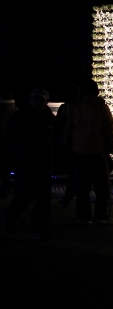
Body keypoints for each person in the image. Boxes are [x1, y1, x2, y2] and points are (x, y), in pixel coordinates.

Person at [62, 79, 113, 224]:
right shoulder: (100, 106)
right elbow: (109, 129)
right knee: (102, 186)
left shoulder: (75, 107)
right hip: (98, 151)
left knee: (82, 186)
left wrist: (65, 147)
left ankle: (83, 216)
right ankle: (101, 216)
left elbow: (69, 129)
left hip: (79, 152)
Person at [2, 87, 56, 240]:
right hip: (25, 164)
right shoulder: (21, 117)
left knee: (43, 199)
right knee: (24, 196)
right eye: (35, 99)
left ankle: (38, 229)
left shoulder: (49, 119)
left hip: (42, 165)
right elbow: (10, 141)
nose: (37, 102)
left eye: (40, 100)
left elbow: (55, 143)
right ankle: (10, 217)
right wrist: (13, 161)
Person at [55, 83, 80, 208]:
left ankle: (68, 197)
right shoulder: (77, 108)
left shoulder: (65, 108)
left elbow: (58, 124)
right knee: (73, 173)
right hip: (75, 144)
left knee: (71, 172)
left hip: (68, 143)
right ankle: (70, 197)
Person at [0, 86, 19, 198]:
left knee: (3, 168)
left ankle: (5, 188)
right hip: (15, 145)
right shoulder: (17, 111)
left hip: (3, 144)